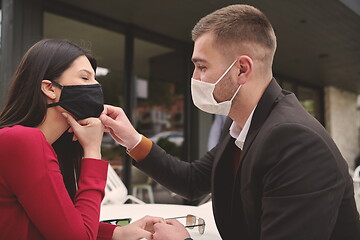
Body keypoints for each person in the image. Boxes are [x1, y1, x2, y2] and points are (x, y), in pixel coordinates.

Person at [100, 4, 360, 240]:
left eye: (201, 67)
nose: (194, 77)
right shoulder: (242, 124)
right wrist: (132, 139)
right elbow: (192, 180)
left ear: (242, 69)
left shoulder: (296, 141)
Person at [0, 39, 164, 240]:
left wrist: (118, 232)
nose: (95, 86)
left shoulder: (45, 145)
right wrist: (93, 151)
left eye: (95, 79)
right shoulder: (22, 140)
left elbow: (61, 223)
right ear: (50, 88)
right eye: (85, 78)